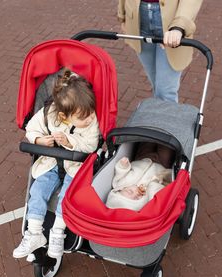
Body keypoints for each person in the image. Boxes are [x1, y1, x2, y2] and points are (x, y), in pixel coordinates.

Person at [13, 69, 100, 259]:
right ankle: (34, 232)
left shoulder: (91, 121)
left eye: (92, 112)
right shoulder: (48, 114)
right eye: (84, 117)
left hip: (75, 167)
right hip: (50, 162)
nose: (91, 118)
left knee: (67, 196)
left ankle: (57, 233)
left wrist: (70, 141)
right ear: (63, 116)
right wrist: (38, 141)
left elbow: (92, 143)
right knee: (37, 191)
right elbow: (31, 129)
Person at [117, 0, 203, 102]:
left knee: (165, 91)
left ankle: (167, 117)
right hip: (139, 19)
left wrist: (179, 26)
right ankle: (160, 112)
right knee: (156, 85)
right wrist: (122, 14)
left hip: (172, 21)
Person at [106, 156, 171, 211]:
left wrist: (123, 166)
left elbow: (120, 173)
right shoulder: (149, 196)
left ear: (120, 190)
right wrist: (152, 185)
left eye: (130, 191)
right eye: (137, 198)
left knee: (147, 145)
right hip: (161, 165)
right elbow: (161, 190)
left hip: (142, 159)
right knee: (165, 154)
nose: (136, 193)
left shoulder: (121, 183)